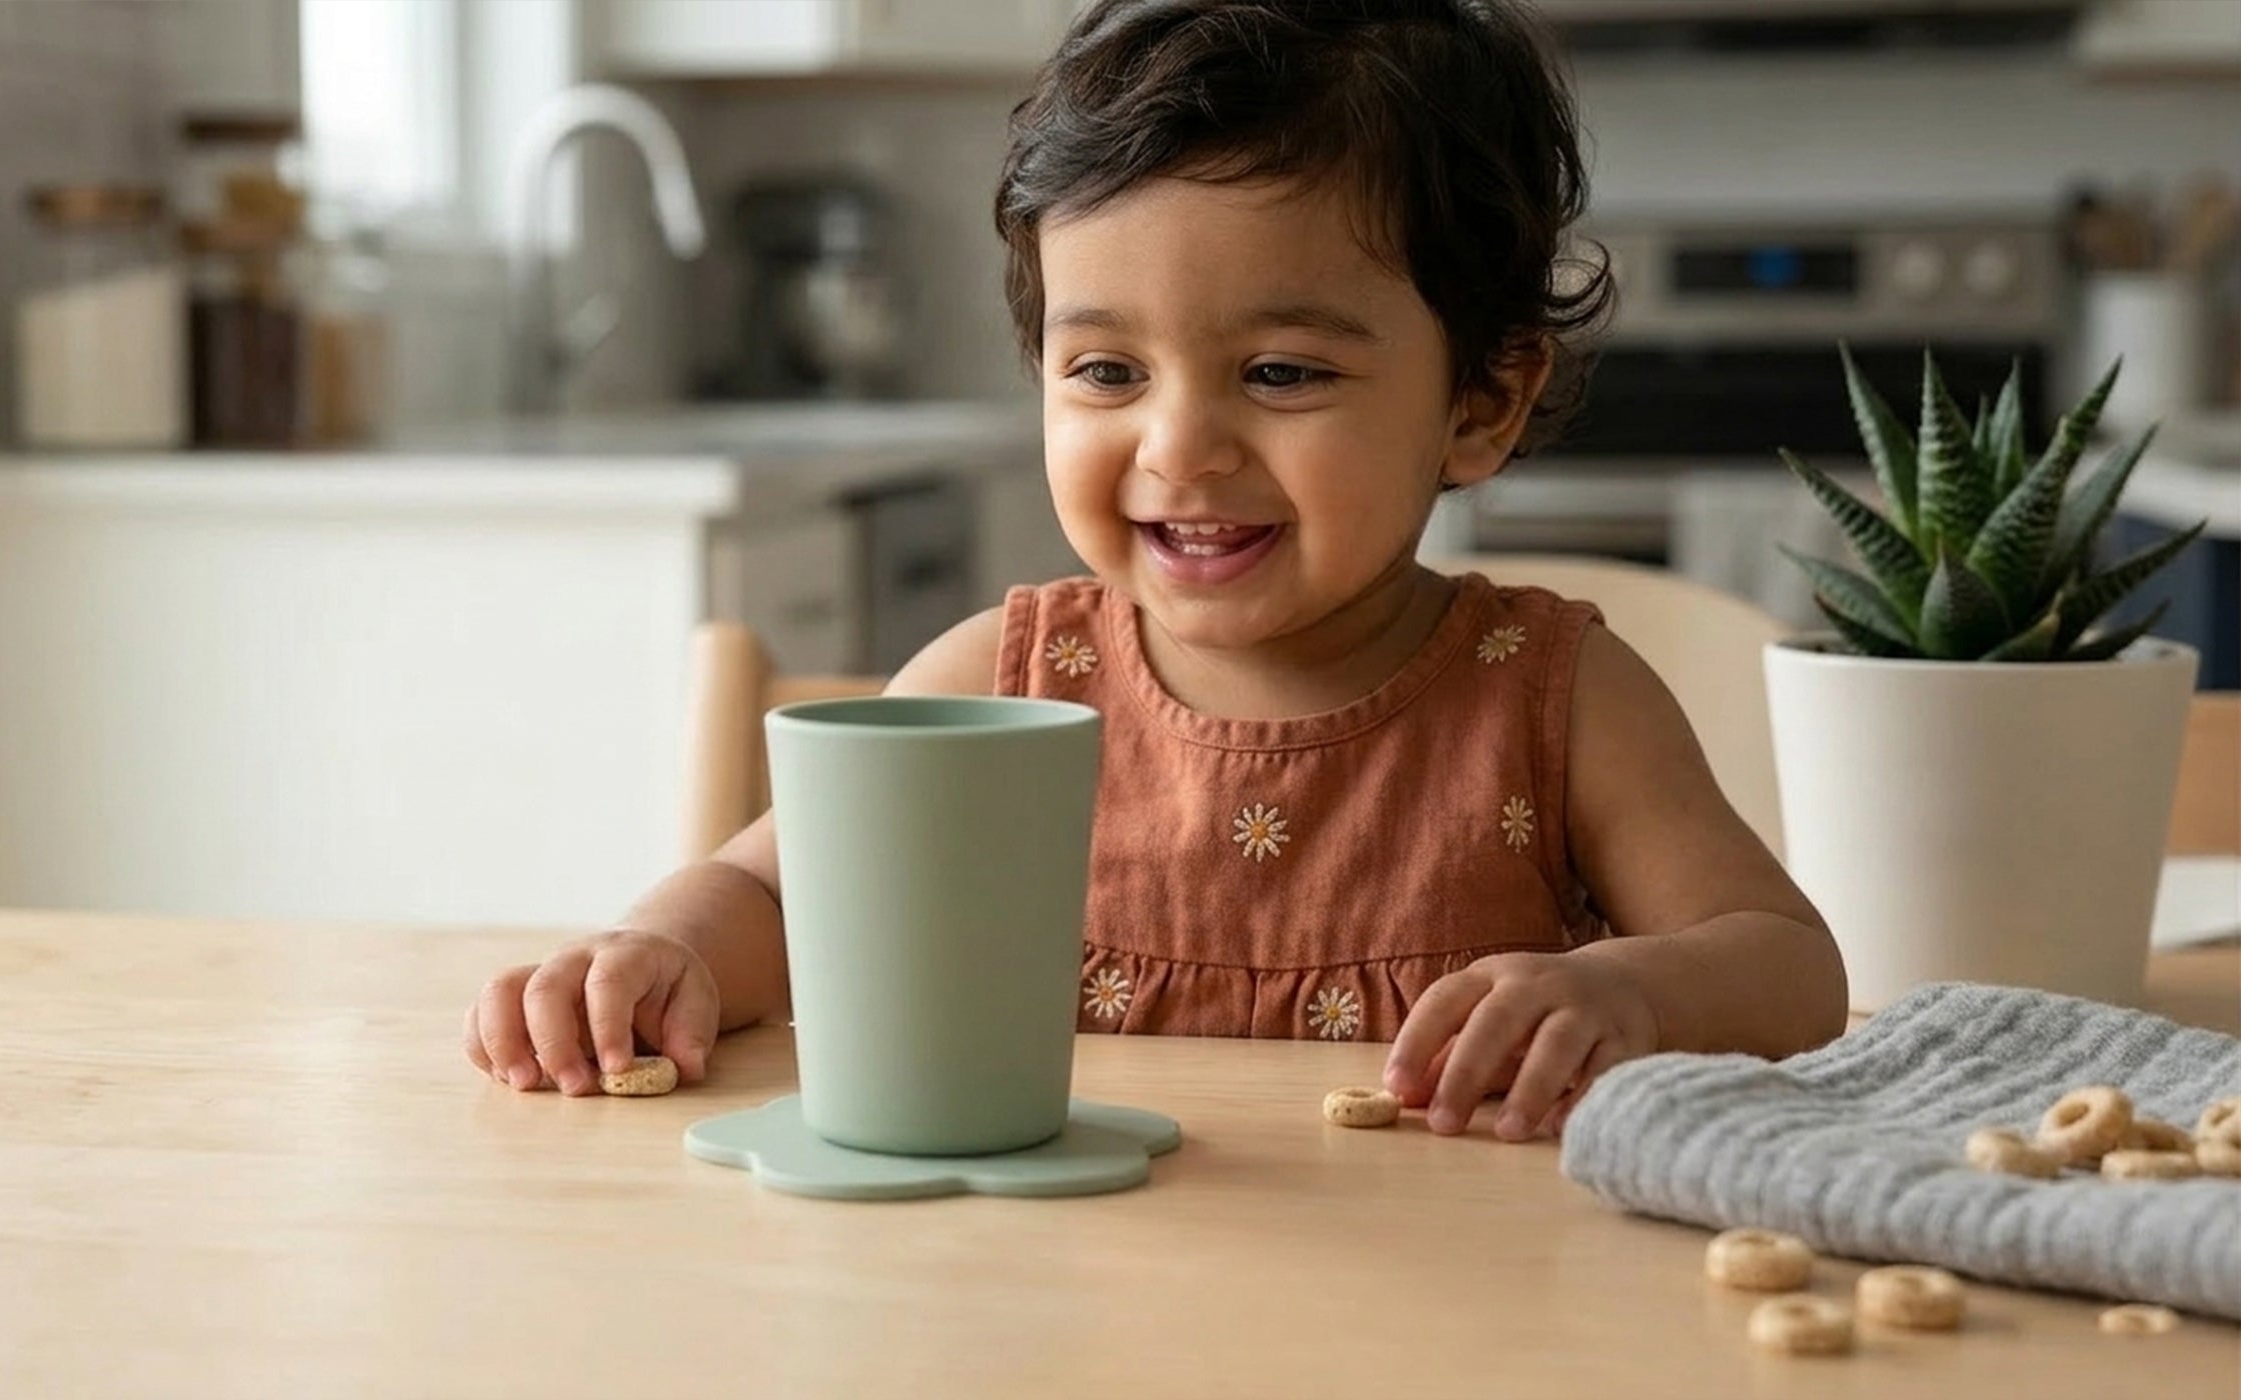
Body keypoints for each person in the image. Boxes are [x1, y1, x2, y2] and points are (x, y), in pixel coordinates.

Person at [466, 0, 1846, 1141]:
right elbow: (776, 898)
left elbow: (1791, 967)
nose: (1179, 447)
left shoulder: (1558, 701)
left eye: (1283, 372)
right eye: (1109, 371)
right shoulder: (995, 691)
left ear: (1478, 402)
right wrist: (656, 949)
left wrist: (1633, 993)